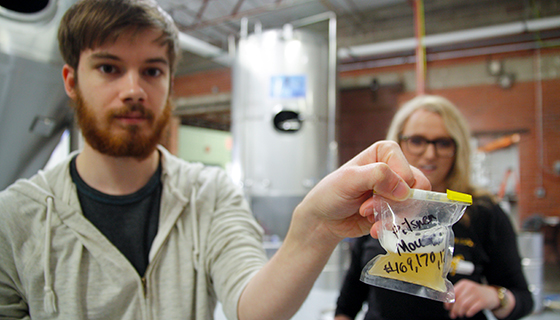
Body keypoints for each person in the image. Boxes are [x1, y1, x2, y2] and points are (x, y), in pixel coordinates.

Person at [0, 1, 430, 319]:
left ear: (170, 82)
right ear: (71, 81)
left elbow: (250, 307)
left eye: (152, 71)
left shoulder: (209, 194)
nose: (133, 89)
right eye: (109, 68)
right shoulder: (15, 219)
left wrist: (315, 228)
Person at [334, 95, 534, 320]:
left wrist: (495, 296)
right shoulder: (378, 207)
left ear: (458, 149)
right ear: (397, 144)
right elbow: (347, 304)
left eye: (443, 143)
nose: (430, 154)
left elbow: (524, 299)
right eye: (417, 141)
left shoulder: (482, 212)